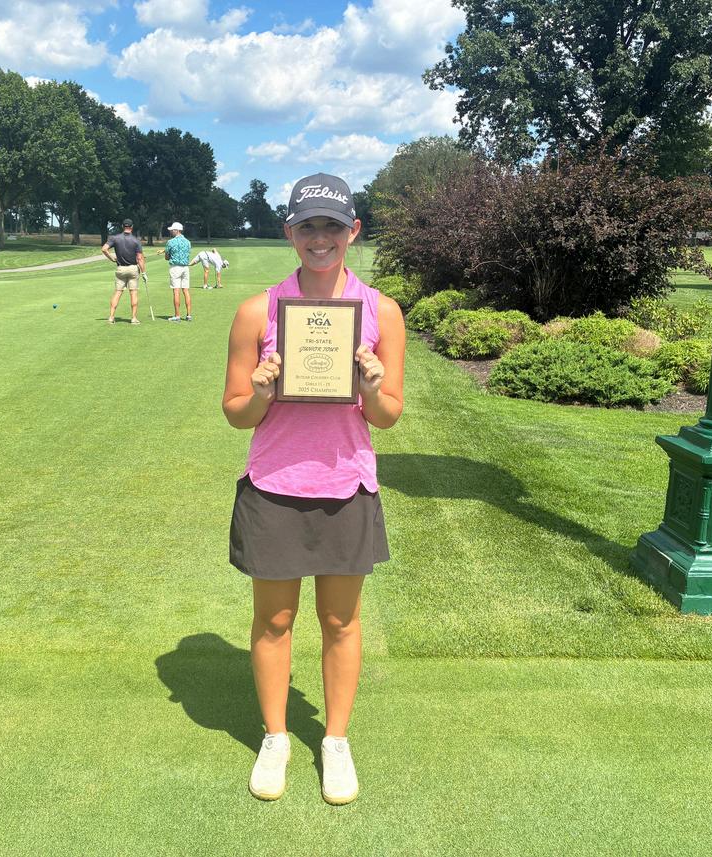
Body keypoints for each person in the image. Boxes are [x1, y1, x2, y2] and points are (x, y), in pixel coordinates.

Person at [222, 173, 406, 805]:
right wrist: (263, 392)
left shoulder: (380, 311)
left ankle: (334, 741)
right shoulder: (258, 310)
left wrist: (374, 387)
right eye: (308, 226)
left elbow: (388, 415)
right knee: (274, 619)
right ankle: (275, 737)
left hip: (346, 483)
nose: (320, 238)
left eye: (332, 226)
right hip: (275, 484)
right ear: (290, 233)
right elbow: (236, 412)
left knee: (340, 620)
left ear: (354, 231)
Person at [101, 219, 146, 324]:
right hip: (133, 269)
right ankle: (133, 318)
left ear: (122, 226)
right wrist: (144, 272)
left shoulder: (115, 238)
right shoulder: (136, 241)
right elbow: (140, 258)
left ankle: (111, 317)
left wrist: (112, 258)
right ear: (132, 227)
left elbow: (104, 249)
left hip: (120, 269)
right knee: (133, 292)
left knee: (118, 292)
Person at [157, 222, 192, 321]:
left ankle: (177, 316)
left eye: (172, 230)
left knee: (176, 291)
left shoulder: (170, 242)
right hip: (185, 268)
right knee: (186, 291)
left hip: (175, 268)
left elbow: (167, 257)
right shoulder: (188, 242)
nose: (171, 231)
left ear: (177, 230)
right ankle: (189, 315)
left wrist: (166, 253)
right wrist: (164, 251)